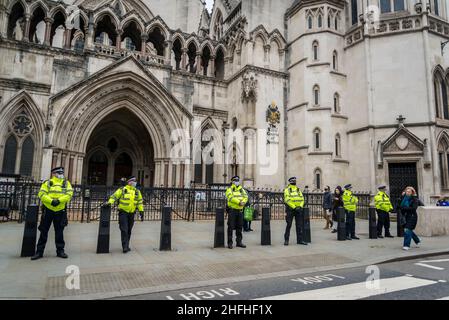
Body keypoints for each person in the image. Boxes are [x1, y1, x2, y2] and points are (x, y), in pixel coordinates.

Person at [31, 167, 73, 260]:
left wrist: (59, 201)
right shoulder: (47, 183)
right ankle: (39, 252)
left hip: (60, 210)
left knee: (59, 232)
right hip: (48, 210)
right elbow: (41, 194)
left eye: (61, 172)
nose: (61, 174)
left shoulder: (66, 183)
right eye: (58, 172)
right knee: (44, 231)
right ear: (54, 173)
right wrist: (51, 201)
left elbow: (69, 194)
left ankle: (60, 251)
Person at [105, 176, 144, 253]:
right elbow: (114, 197)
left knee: (129, 230)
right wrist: (109, 202)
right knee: (124, 230)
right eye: (133, 181)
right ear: (129, 182)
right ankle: (125, 246)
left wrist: (141, 211)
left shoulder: (137, 192)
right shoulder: (122, 189)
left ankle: (127, 245)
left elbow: (140, 202)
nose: (134, 182)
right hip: (123, 213)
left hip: (132, 213)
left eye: (135, 181)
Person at [225, 176, 248, 249]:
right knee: (231, 227)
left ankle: (239, 242)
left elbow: (246, 196)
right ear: (232, 181)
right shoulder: (229, 189)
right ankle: (230, 243)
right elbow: (230, 198)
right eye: (235, 180)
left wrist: (243, 202)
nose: (237, 181)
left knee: (239, 227)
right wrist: (239, 202)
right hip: (232, 210)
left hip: (240, 211)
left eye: (238, 180)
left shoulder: (241, 189)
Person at [283, 177, 308, 246]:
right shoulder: (287, 190)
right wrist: (294, 207)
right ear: (290, 181)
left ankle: (300, 240)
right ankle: (286, 240)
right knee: (289, 224)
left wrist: (300, 206)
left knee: (299, 225)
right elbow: (287, 199)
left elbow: (302, 198)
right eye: (293, 181)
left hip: (298, 209)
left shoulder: (298, 189)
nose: (294, 182)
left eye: (295, 181)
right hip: (290, 210)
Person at [399, 187, 422, 251]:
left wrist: (403, 208)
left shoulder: (414, 199)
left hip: (412, 216)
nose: (408, 193)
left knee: (407, 229)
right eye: (407, 191)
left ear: (412, 193)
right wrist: (401, 196)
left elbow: (414, 208)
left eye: (409, 192)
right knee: (408, 230)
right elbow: (398, 205)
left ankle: (406, 245)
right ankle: (417, 239)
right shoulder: (403, 198)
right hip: (405, 216)